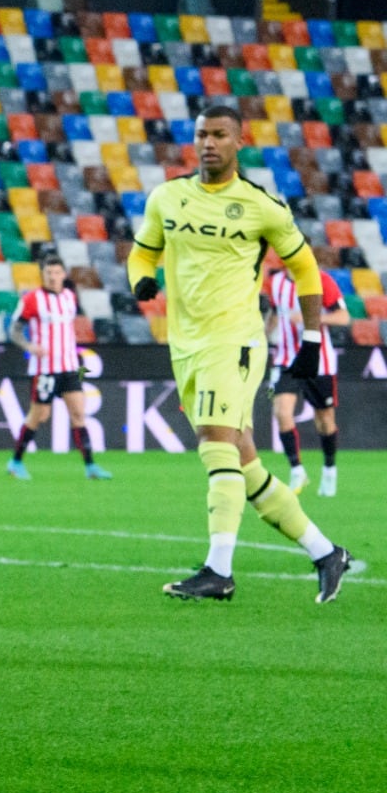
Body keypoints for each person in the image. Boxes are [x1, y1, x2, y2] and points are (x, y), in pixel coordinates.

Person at [129, 104, 354, 603]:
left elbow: (307, 271)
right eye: (202, 135)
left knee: (215, 443)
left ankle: (219, 571)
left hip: (234, 341)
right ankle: (326, 553)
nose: (208, 143)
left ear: (239, 142)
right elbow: (143, 250)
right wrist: (140, 277)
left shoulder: (262, 206)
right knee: (244, 463)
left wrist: (314, 339)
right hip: (185, 345)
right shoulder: (167, 197)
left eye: (219, 135)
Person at [5, 255, 112, 481]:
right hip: (45, 369)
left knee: (78, 413)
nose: (53, 277)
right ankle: (15, 461)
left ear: (63, 275)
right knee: (40, 415)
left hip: (69, 366)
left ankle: (91, 466)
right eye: (48, 273)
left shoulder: (69, 297)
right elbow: (14, 329)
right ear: (43, 275)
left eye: (56, 273)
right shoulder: (32, 299)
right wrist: (28, 345)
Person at [265, 256, 349, 495]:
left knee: (324, 421)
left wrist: (311, 318)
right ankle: (297, 471)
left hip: (318, 361)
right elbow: (274, 313)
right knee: (281, 412)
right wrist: (263, 335)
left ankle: (330, 470)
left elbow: (343, 317)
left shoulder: (322, 281)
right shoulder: (276, 282)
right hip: (286, 359)